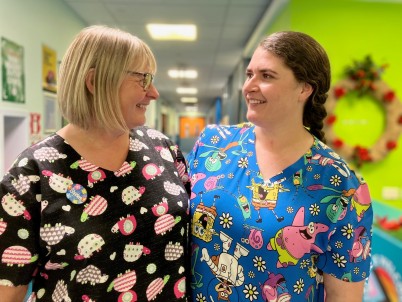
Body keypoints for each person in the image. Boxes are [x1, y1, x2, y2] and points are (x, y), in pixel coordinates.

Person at [0, 25, 190, 301]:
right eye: (143, 79)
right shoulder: (31, 173)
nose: (154, 93)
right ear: (95, 81)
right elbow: (10, 290)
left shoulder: (164, 150)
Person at [187, 31, 373, 302]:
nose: (249, 86)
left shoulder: (341, 186)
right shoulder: (213, 145)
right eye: (249, 74)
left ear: (304, 88)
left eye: (266, 76)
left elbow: (343, 295)